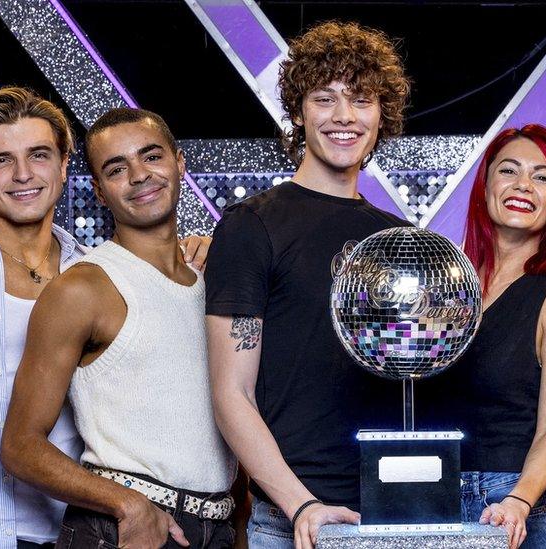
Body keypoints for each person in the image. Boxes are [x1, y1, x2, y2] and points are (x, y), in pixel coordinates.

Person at [0, 87, 209, 548]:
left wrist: (191, 252)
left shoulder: (101, 273)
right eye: (1, 160)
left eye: (40, 155)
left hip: (91, 529)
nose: (24, 174)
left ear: (65, 166)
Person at [203, 21, 411, 549]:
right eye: (325, 99)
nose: (344, 117)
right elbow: (232, 392)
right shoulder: (251, 225)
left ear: (381, 113)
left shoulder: (401, 239)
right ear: (298, 112)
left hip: (392, 512)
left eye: (361, 100)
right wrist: (302, 505)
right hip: (296, 520)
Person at [0, 108, 234, 548]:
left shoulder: (215, 276)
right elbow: (19, 446)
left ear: (179, 163)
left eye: (151, 157)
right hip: (123, 527)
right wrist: (127, 505)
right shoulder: (83, 288)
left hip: (215, 525)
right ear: (100, 191)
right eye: (116, 168)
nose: (140, 176)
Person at [421, 124, 546, 549]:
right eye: (508, 170)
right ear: (485, 186)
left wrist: (518, 501)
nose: (523, 185)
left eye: (542, 176)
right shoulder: (445, 287)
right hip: (435, 498)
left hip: (513, 503)